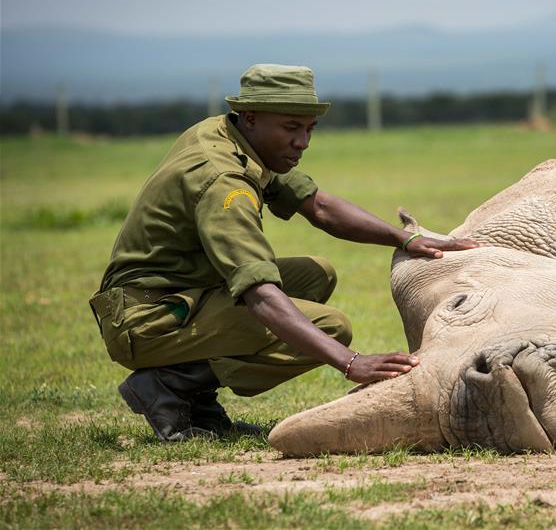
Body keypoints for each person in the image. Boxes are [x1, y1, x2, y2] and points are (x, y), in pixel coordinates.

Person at [89, 64, 477, 441]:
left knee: (316, 274)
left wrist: (406, 239)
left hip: (179, 292)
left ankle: (189, 394)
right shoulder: (225, 183)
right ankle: (168, 384)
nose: (303, 143)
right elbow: (259, 294)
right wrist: (350, 361)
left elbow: (319, 207)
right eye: (291, 128)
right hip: (146, 319)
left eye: (309, 129)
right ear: (251, 117)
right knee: (330, 327)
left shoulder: (227, 133)